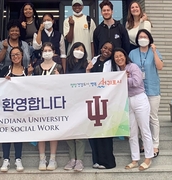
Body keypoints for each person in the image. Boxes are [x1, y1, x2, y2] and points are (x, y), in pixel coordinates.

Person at [113, 48, 154, 171]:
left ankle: (148, 158)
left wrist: (123, 79)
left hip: (139, 98)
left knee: (145, 129)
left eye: (121, 55)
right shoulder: (117, 71)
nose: (119, 58)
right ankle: (135, 159)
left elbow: (136, 82)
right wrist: (122, 78)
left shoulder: (133, 67)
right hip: (127, 101)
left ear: (125, 56)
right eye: (116, 57)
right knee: (131, 132)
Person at [129, 29, 164, 156]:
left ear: (149, 39)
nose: (142, 39)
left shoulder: (154, 51)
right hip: (138, 90)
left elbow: (160, 66)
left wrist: (154, 51)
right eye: (140, 37)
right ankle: (144, 143)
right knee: (141, 118)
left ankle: (155, 145)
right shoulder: (132, 53)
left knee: (152, 117)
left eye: (145, 36)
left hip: (152, 89)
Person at [30, 42, 63, 171]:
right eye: (45, 50)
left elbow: (63, 86)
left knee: (53, 130)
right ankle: (42, 158)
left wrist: (60, 78)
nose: (47, 52)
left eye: (49, 50)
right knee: (41, 131)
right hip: (40, 103)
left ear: (54, 52)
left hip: (53, 104)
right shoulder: (37, 67)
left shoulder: (58, 67)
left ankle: (53, 159)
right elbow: (32, 85)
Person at [86, 41, 116, 170]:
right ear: (101, 48)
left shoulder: (112, 63)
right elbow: (88, 79)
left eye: (109, 49)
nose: (106, 51)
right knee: (94, 132)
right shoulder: (94, 60)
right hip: (93, 99)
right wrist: (87, 70)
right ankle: (96, 160)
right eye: (105, 48)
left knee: (105, 132)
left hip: (106, 100)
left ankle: (108, 162)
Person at [0, 46, 26, 172]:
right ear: (10, 57)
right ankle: (6, 159)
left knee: (18, 133)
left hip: (22, 108)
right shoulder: (5, 70)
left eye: (18, 54)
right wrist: (4, 81)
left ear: (22, 55)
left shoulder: (28, 70)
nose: (16, 57)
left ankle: (18, 159)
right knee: (6, 133)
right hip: (7, 107)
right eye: (13, 55)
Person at [63, 42, 88, 172]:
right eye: (77, 49)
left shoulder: (86, 64)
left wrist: (88, 71)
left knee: (80, 130)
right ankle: (72, 158)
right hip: (68, 100)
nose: (79, 51)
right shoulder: (66, 62)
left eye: (81, 49)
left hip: (81, 100)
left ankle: (80, 160)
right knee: (69, 130)